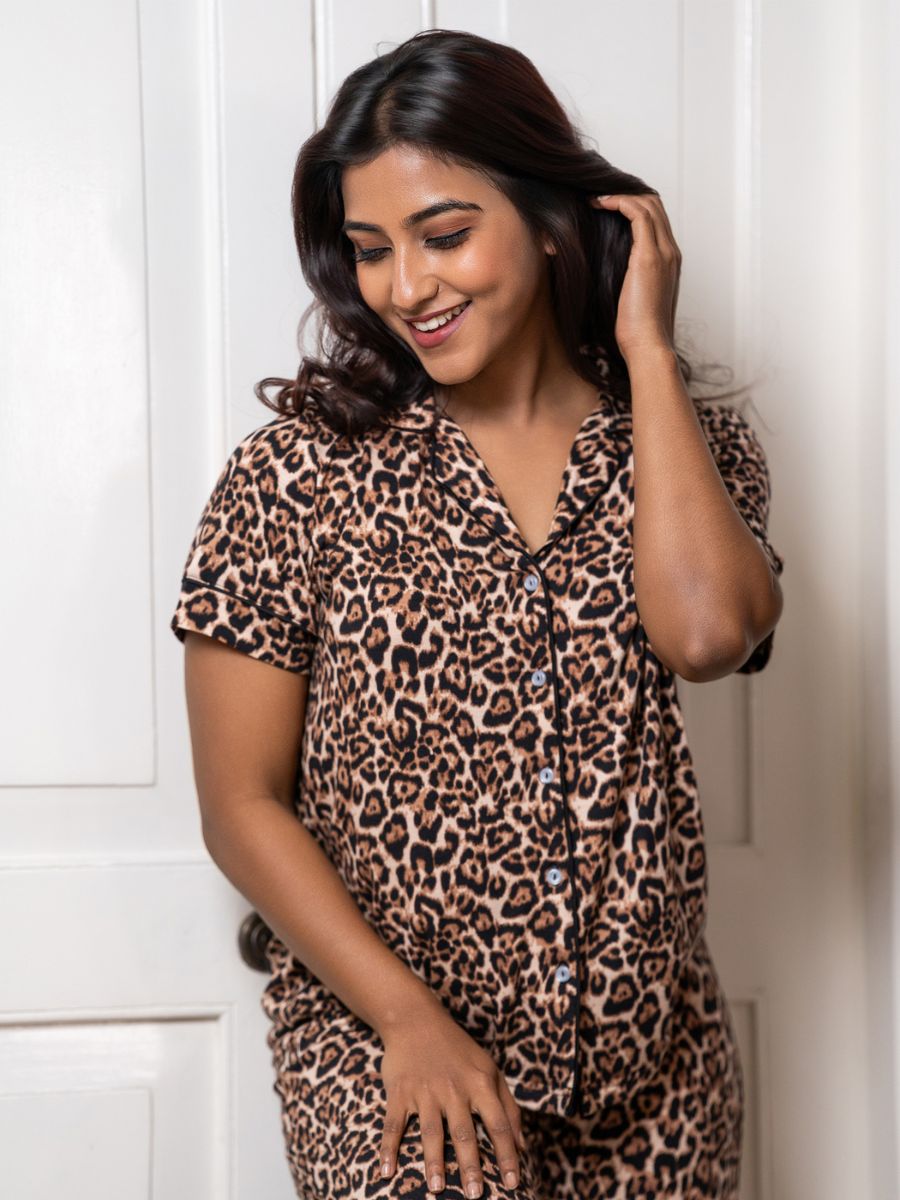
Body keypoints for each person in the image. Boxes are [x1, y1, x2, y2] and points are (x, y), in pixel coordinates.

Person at [170, 28, 784, 1200]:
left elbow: (710, 637)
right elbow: (242, 806)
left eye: (444, 235)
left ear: (555, 217)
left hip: (651, 1070)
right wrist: (408, 1019)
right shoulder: (297, 475)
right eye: (371, 250)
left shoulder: (686, 450)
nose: (407, 287)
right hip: (390, 1047)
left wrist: (646, 346)